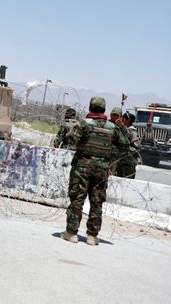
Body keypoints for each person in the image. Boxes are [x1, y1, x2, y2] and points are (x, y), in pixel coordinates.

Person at [60, 97, 129, 246]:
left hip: (82, 169)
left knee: (77, 199)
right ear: (104, 110)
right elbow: (125, 146)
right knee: (96, 202)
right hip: (101, 170)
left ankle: (71, 233)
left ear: (90, 108)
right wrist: (122, 127)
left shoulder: (84, 124)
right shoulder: (112, 128)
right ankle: (92, 236)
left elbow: (69, 141)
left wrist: (71, 130)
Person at [115, 111, 141, 179]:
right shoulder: (120, 129)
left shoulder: (132, 131)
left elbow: (136, 146)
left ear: (128, 120)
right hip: (120, 161)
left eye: (123, 118)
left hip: (128, 163)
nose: (121, 120)